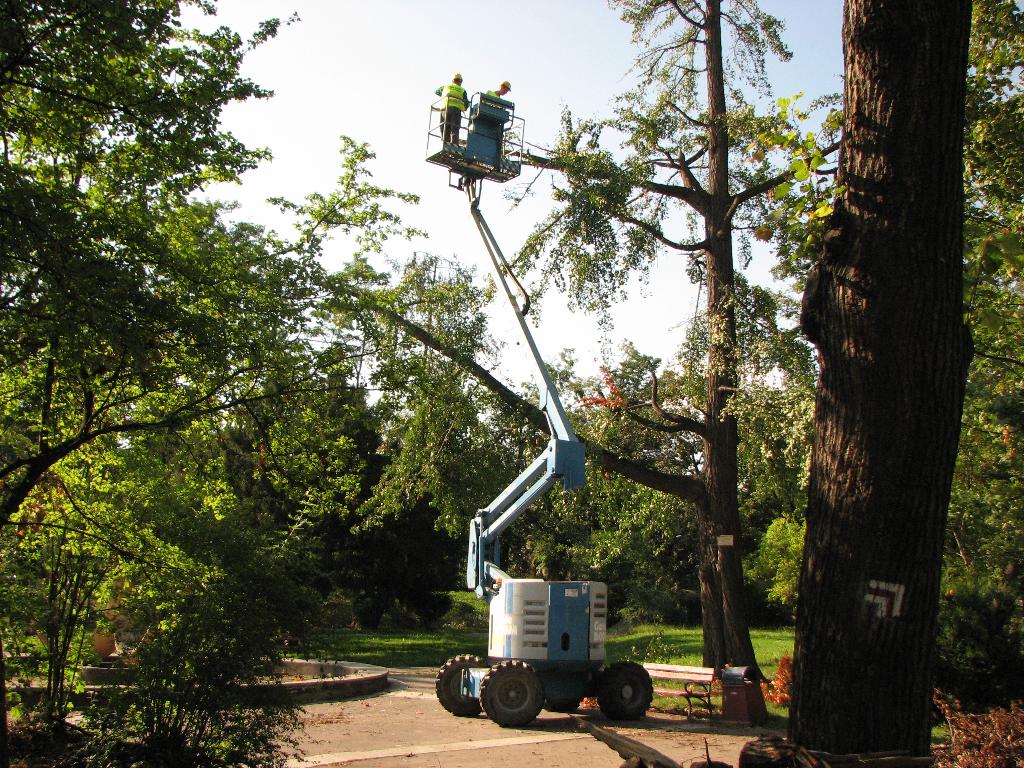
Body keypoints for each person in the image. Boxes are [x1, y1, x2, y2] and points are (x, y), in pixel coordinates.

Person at [435, 73, 468, 145]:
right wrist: (465, 108)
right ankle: (453, 144)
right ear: (460, 81)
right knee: (454, 129)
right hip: (456, 111)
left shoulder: (445, 87)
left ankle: (444, 143)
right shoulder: (462, 90)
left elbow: (437, 91)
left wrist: (444, 95)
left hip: (445, 110)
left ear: (452, 80)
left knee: (444, 127)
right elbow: (466, 104)